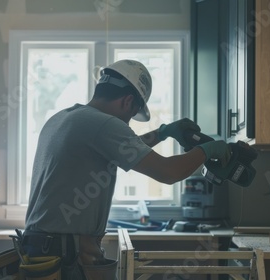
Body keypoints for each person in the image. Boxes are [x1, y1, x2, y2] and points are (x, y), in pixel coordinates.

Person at [20, 59, 231, 279]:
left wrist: (162, 133)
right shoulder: (104, 124)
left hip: (40, 250)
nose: (128, 124)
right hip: (66, 254)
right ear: (128, 101)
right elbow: (169, 172)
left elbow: (122, 149)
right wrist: (207, 150)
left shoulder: (63, 118)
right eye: (131, 116)